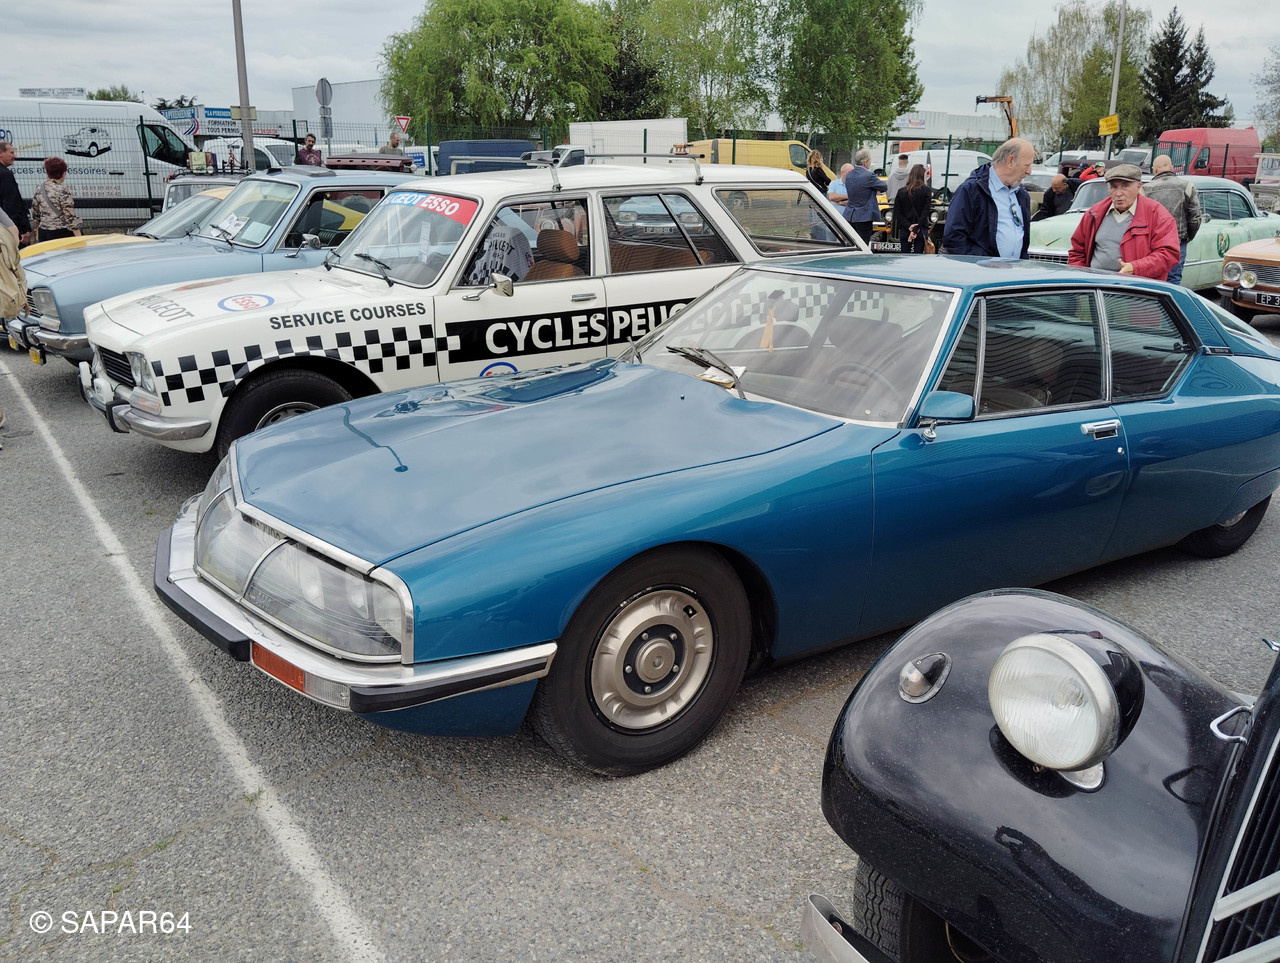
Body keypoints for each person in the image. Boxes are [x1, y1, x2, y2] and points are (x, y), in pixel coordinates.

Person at [1067, 163, 1179, 280]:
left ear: (1138, 186)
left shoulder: (1157, 214)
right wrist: (1082, 278)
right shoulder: (1094, 213)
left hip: (1137, 287)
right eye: (1114, 187)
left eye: (1125, 186)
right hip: (1096, 285)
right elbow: (1077, 252)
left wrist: (1135, 268)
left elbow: (1168, 254)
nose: (1119, 193)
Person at [941, 137, 1034, 258]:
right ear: (1010, 161)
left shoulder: (1022, 195)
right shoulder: (971, 190)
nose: (1029, 171)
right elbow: (954, 238)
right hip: (980, 269)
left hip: (1015, 269)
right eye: (1026, 165)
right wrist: (985, 263)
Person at [1144, 154, 1202, 286]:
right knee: (1174, 279)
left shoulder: (1145, 189)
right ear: (1172, 168)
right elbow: (1195, 217)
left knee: (1152, 278)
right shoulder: (1187, 186)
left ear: (1155, 170)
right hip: (1178, 241)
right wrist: (1187, 237)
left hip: (1152, 242)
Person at [29, 157, 81, 243]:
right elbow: (69, 215)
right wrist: (78, 235)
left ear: (47, 172)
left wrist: (36, 228)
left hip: (44, 231)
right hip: (61, 231)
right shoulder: (62, 190)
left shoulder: (40, 188)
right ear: (63, 173)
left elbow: (35, 212)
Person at [841, 149, 887, 245]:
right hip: (864, 215)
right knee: (863, 244)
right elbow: (884, 186)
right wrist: (874, 189)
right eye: (869, 160)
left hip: (850, 214)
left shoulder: (849, 175)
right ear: (865, 162)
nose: (870, 163)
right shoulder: (869, 176)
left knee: (851, 243)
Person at [892, 164, 933, 254]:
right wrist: (916, 228)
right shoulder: (926, 190)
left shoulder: (901, 191)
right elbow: (925, 211)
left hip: (905, 228)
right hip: (921, 228)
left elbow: (897, 213)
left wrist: (909, 226)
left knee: (904, 255)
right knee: (918, 256)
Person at [0, 140, 32, 246]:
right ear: (0, 153)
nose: (15, 156)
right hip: (11, 229)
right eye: (12, 153)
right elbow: (12, 204)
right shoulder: (5, 175)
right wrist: (22, 230)